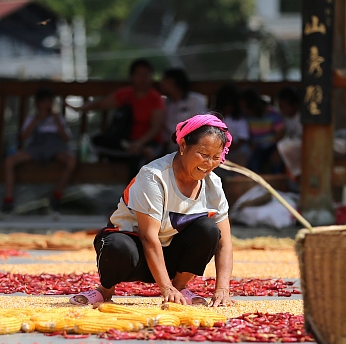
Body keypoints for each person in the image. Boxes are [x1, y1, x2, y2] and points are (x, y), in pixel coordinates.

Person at [70, 113, 234, 308]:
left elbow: (224, 243)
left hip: (169, 254)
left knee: (209, 229)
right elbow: (148, 236)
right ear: (183, 147)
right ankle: (105, 289)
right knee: (118, 246)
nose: (209, 164)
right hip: (134, 251)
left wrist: (222, 289)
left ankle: (180, 287)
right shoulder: (154, 177)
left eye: (216, 157)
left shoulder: (213, 184)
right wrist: (165, 288)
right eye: (203, 155)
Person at [75, 58, 165, 174]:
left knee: (139, 160)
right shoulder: (125, 95)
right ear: (132, 77)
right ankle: (138, 151)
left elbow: (155, 128)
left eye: (146, 74)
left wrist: (139, 143)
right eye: (138, 74)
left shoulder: (155, 99)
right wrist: (78, 108)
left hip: (149, 142)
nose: (142, 78)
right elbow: (101, 104)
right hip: (126, 143)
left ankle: (133, 187)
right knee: (99, 141)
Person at [1, 87, 75, 214]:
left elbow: (66, 138)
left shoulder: (58, 119)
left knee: (71, 161)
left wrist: (57, 121)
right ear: (38, 104)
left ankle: (57, 195)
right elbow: (23, 137)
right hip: (36, 147)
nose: (47, 105)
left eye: (49, 102)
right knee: (9, 161)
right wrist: (37, 120)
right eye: (44, 102)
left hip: (55, 148)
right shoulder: (32, 119)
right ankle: (8, 199)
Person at [160, 68, 207, 152]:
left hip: (193, 148)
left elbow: (201, 126)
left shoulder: (196, 100)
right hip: (171, 151)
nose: (161, 83)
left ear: (173, 82)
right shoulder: (164, 103)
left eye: (164, 80)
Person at [239, 88, 285, 173]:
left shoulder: (272, 114)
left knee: (276, 165)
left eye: (245, 107)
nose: (243, 110)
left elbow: (280, 133)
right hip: (256, 148)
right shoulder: (246, 117)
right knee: (253, 165)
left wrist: (277, 150)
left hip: (272, 147)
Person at [213, 84, 250, 167]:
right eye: (225, 105)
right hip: (217, 148)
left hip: (236, 149)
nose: (228, 108)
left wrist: (231, 147)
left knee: (243, 153)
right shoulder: (214, 117)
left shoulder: (239, 119)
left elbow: (243, 139)